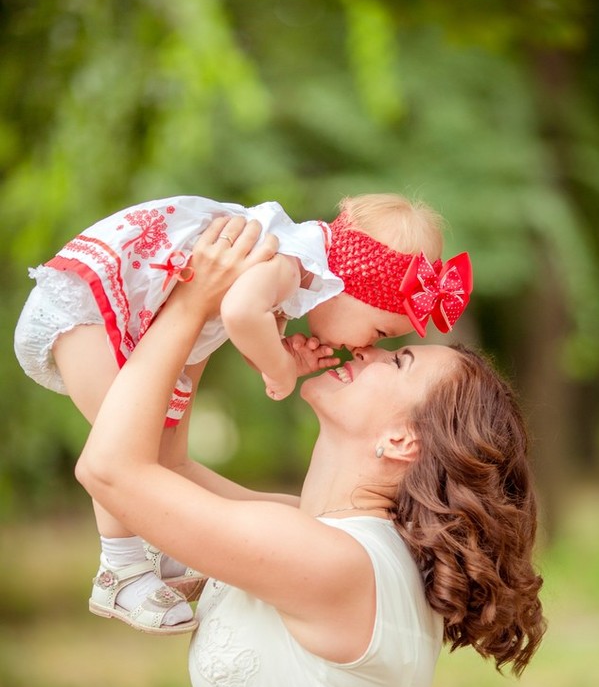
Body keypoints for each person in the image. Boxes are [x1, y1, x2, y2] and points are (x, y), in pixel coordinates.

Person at [75, 217, 545, 687]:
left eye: (399, 361)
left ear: (401, 440)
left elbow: (112, 470)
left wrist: (188, 303)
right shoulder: (318, 534)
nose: (370, 350)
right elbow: (165, 465)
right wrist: (211, 317)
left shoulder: (333, 563)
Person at [14, 193, 472, 635]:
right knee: (130, 441)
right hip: (87, 311)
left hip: (123, 310)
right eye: (380, 332)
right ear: (355, 286)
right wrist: (280, 370)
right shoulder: (289, 264)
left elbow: (246, 320)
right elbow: (237, 312)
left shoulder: (295, 265)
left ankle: (156, 545)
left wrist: (275, 357)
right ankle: (121, 569)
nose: (366, 348)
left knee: (147, 443)